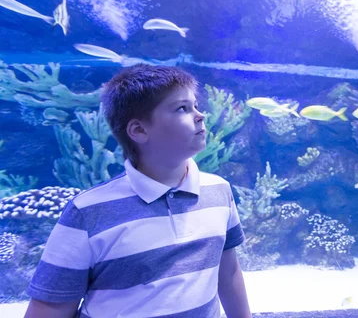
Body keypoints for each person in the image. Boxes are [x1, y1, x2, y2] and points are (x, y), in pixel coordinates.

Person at [24, 64, 251, 318]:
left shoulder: (219, 191)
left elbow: (228, 273)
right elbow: (49, 308)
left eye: (196, 106)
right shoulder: (87, 213)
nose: (200, 116)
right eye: (182, 108)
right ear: (139, 130)